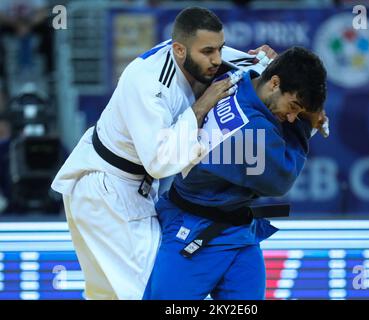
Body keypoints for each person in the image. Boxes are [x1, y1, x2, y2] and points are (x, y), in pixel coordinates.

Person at [51, 7, 276, 300]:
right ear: (179, 50)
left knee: (108, 296)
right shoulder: (148, 83)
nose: (217, 59)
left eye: (219, 48)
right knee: (150, 294)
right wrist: (200, 107)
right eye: (208, 51)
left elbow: (240, 63)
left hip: (125, 188)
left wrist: (265, 63)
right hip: (107, 191)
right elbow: (159, 162)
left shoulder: (193, 55)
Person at [143, 46, 328, 300]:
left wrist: (269, 64)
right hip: (194, 232)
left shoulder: (240, 75)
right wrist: (307, 125)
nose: (293, 116)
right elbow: (282, 179)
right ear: (275, 83)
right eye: (294, 106)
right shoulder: (252, 130)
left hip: (237, 229)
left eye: (299, 111)